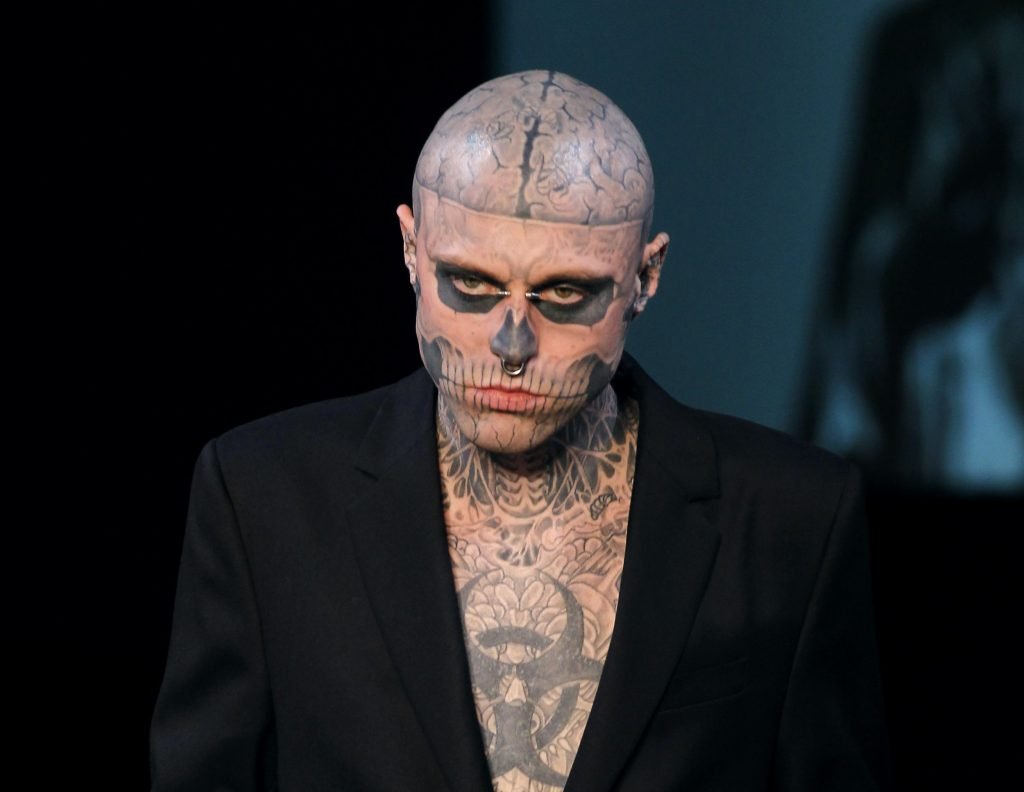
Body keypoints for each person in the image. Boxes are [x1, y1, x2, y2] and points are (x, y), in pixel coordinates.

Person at [150, 69, 891, 791]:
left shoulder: (792, 520)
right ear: (410, 249)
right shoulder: (263, 499)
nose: (511, 344)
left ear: (645, 276)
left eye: (564, 292)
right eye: (469, 283)